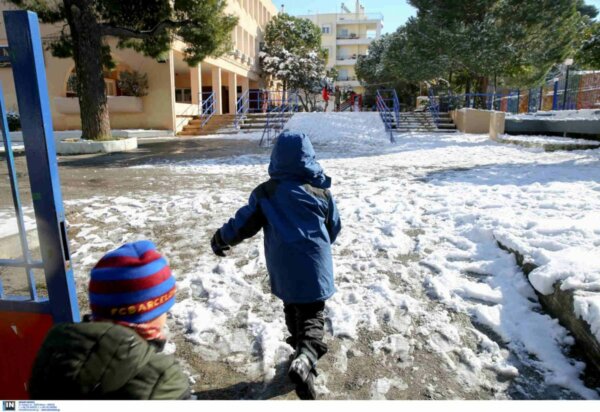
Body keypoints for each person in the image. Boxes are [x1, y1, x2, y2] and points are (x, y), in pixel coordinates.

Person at [211, 131, 342, 400]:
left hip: (284, 269)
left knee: (293, 309)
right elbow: (334, 227)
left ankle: (301, 356)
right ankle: (305, 357)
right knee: (312, 316)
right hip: (315, 268)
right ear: (309, 157)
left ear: (276, 159)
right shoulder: (320, 192)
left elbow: (243, 224)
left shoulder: (266, 193)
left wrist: (221, 239)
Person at [28, 240, 190, 400]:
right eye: (164, 311)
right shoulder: (162, 379)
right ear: (150, 315)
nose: (165, 318)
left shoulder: (54, 352)